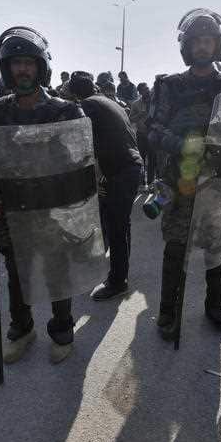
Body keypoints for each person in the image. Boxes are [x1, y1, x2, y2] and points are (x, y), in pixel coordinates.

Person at [0, 26, 86, 363]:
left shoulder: (65, 111)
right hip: (12, 210)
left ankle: (62, 329)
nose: (22, 70)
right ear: (6, 68)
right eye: (16, 63)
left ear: (41, 67)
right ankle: (21, 329)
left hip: (51, 208)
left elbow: (82, 164)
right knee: (17, 273)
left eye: (29, 63)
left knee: (56, 272)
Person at [148, 8, 221, 339]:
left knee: (217, 248)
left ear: (217, 46)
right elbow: (154, 131)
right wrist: (188, 146)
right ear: (187, 48)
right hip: (180, 183)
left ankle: (216, 305)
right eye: (197, 42)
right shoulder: (169, 86)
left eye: (208, 41)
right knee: (175, 251)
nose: (203, 47)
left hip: (217, 185)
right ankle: (167, 311)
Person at [69, 72, 143, 300]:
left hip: (119, 171)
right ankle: (117, 271)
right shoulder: (108, 102)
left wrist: (98, 177)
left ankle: (118, 281)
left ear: (74, 94)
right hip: (130, 166)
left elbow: (88, 143)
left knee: (116, 226)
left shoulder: (87, 105)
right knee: (118, 223)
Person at [128, 82, 156, 186]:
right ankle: (141, 183)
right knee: (141, 160)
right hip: (141, 135)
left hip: (153, 135)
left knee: (152, 160)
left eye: (147, 89)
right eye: (144, 90)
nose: (147, 91)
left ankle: (151, 183)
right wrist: (140, 114)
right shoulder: (136, 104)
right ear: (140, 92)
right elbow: (130, 119)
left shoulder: (154, 102)